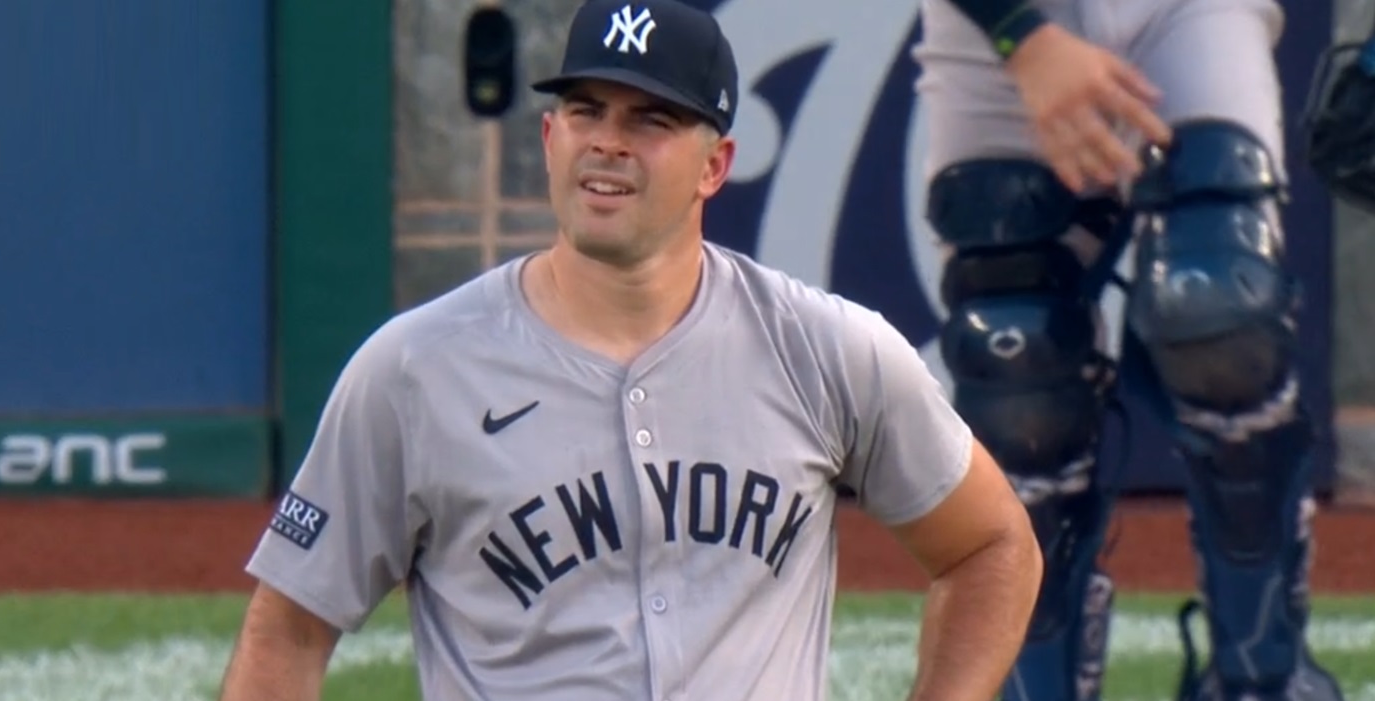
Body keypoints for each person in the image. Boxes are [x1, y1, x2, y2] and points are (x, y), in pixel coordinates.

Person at [216, 1, 1043, 699]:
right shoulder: (413, 370)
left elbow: (989, 545)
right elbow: (289, 626)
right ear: (549, 137)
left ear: (715, 165)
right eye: (587, 111)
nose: (608, 142)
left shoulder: (824, 348)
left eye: (650, 119)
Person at [912, 0, 1346, 699]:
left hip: (1191, 10)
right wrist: (1020, 37)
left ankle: (1264, 672)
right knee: (1014, 356)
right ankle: (1033, 685)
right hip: (993, 30)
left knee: (1220, 308)